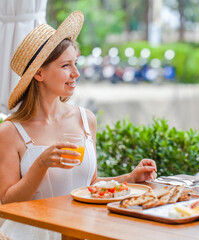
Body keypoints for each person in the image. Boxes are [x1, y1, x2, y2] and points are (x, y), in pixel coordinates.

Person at [0, 11, 157, 240]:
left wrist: (129, 178)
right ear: (39, 73)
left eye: (75, 63)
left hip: (82, 231)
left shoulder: (85, 120)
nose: (76, 73)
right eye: (65, 65)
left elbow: (89, 185)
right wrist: (41, 163)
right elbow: (7, 201)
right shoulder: (11, 131)